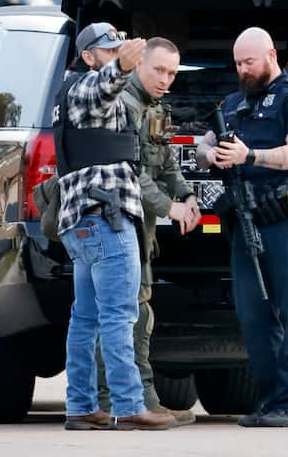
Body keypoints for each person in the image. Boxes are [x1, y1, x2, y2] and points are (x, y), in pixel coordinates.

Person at [197, 27, 288, 427]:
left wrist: (249, 155)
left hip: (287, 222)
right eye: (237, 63)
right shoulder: (233, 104)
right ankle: (271, 403)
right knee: (254, 317)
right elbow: (203, 144)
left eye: (248, 62)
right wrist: (211, 154)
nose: (242, 69)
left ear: (270, 55)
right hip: (247, 223)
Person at [57, 22, 178, 431]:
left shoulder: (75, 91)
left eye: (117, 51)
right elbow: (103, 89)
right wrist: (122, 66)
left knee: (86, 318)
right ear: (88, 56)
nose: (115, 55)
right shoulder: (82, 87)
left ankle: (81, 407)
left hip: (86, 222)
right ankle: (128, 406)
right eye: (106, 51)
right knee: (119, 316)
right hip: (105, 218)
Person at [96, 37, 201, 426]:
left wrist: (186, 194)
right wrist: (169, 206)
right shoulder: (122, 105)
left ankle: (140, 398)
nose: (166, 79)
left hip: (142, 231)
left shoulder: (153, 107)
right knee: (125, 316)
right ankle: (116, 401)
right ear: (139, 64)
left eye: (172, 73)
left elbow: (166, 161)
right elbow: (131, 172)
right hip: (117, 225)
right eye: (159, 70)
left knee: (138, 314)